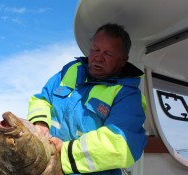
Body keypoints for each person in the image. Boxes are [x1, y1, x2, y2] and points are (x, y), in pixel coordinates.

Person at [27, 23, 147, 175]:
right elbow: (42, 99)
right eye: (95, 49)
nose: (98, 57)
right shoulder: (70, 70)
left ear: (123, 60)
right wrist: (40, 123)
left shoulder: (128, 96)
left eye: (108, 54)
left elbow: (121, 144)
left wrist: (62, 153)